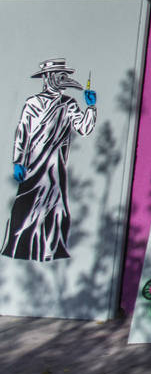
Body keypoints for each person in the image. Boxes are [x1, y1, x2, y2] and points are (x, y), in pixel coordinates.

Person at [2, 58, 97, 261]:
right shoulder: (32, 103)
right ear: (47, 78)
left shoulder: (68, 103)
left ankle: (49, 250)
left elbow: (84, 128)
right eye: (57, 75)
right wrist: (18, 161)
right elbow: (22, 133)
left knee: (56, 206)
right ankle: (20, 248)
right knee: (26, 204)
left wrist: (91, 107)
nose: (61, 80)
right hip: (34, 163)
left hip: (55, 164)